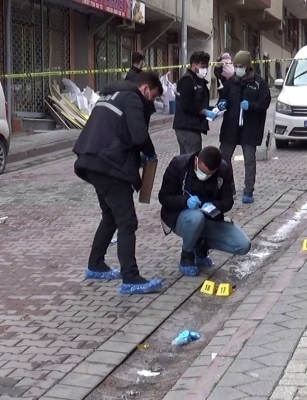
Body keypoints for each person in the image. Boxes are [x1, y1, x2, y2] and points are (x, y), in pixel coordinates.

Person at [73, 71, 164, 295]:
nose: (151, 102)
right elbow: (139, 135)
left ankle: (95, 265)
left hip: (91, 161)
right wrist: (150, 153)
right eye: (152, 97)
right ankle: (130, 278)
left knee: (110, 216)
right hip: (110, 166)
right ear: (145, 89)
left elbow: (116, 130)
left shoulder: (110, 94)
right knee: (127, 222)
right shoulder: (132, 97)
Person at [158, 146, 251, 276]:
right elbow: (164, 197)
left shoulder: (224, 170)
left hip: (210, 218)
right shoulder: (179, 164)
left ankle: (201, 244)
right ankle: (187, 255)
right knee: (196, 218)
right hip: (183, 218)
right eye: (202, 172)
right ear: (197, 160)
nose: (205, 176)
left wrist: (214, 205)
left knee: (243, 245)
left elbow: (228, 202)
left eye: (210, 174)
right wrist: (185, 201)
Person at [216, 51, 271, 204]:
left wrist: (252, 106)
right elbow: (223, 98)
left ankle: (248, 190)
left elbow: (265, 102)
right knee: (224, 157)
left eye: (241, 66)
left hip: (250, 127)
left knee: (249, 159)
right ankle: (229, 186)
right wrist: (222, 104)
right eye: (236, 66)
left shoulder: (258, 83)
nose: (238, 68)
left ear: (248, 66)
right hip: (231, 126)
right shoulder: (230, 82)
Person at [172, 51, 214, 154]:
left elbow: (200, 102)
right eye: (202, 67)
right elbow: (186, 104)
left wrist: (212, 109)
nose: (205, 70)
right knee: (193, 158)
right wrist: (203, 111)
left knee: (186, 159)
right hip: (187, 127)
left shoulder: (199, 81)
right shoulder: (187, 81)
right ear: (194, 65)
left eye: (206, 67)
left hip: (192, 127)